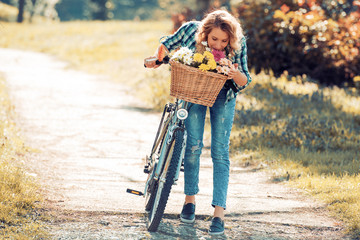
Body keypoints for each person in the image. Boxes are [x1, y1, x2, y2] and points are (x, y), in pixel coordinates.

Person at [144, 9, 252, 235]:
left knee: (220, 152)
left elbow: (244, 81)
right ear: (204, 33)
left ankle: (218, 214)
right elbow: (167, 43)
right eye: (214, 39)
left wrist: (233, 73)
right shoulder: (191, 30)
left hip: (224, 94)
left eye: (224, 41)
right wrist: (157, 58)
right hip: (194, 90)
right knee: (192, 146)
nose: (219, 45)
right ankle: (189, 200)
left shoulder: (237, 43)